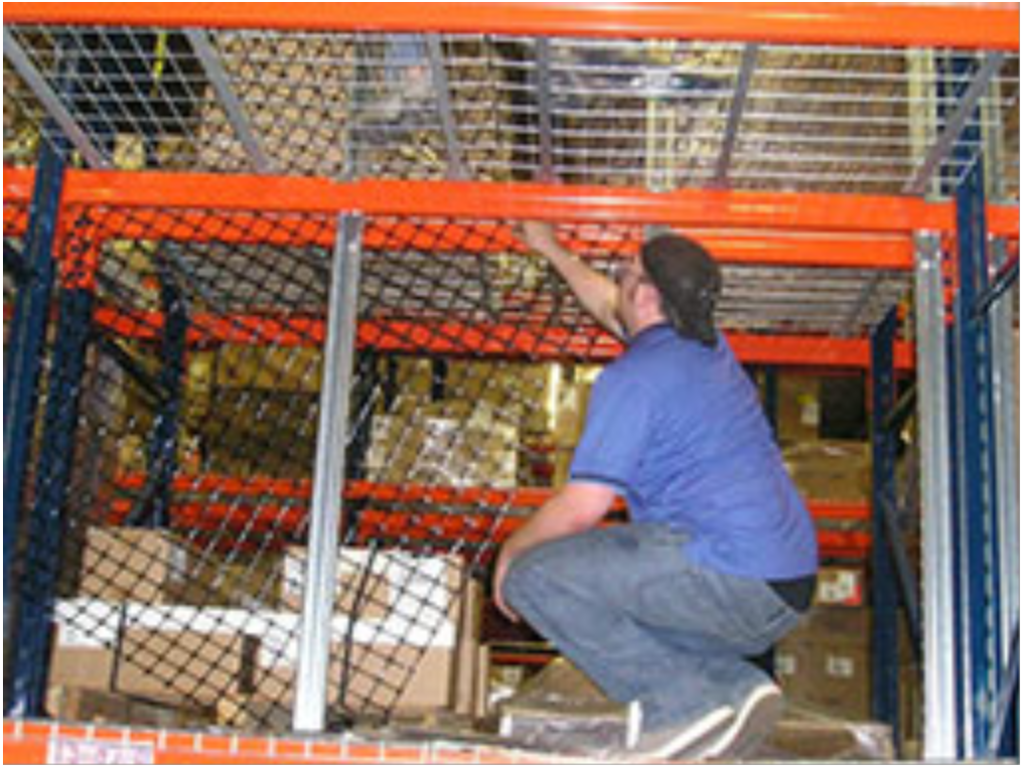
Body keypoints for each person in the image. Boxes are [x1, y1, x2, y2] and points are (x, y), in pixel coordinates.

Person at [493, 222, 819, 760]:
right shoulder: (707, 350)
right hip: (783, 590)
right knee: (627, 607)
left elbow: (583, 508)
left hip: (726, 574)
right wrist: (551, 248)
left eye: (626, 274)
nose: (616, 281)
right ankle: (736, 689)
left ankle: (684, 707)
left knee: (539, 578)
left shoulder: (634, 379)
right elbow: (607, 304)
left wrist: (512, 554)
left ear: (646, 295)